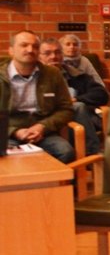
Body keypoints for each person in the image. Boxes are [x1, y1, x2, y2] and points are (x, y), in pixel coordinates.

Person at [2, 30, 74, 162]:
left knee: (66, 151)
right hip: (7, 134)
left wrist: (42, 127)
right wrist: (15, 131)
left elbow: (66, 109)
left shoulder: (52, 74)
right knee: (9, 159)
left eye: (35, 46)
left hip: (43, 133)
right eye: (24, 45)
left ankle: (56, 183)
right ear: (11, 50)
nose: (30, 50)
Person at [39, 38, 108, 156]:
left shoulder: (76, 74)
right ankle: (92, 153)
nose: (54, 57)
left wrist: (75, 99)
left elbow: (101, 94)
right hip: (50, 119)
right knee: (78, 107)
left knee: (79, 107)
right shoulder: (36, 78)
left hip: (82, 118)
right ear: (39, 57)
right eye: (47, 53)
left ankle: (89, 154)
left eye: (57, 52)